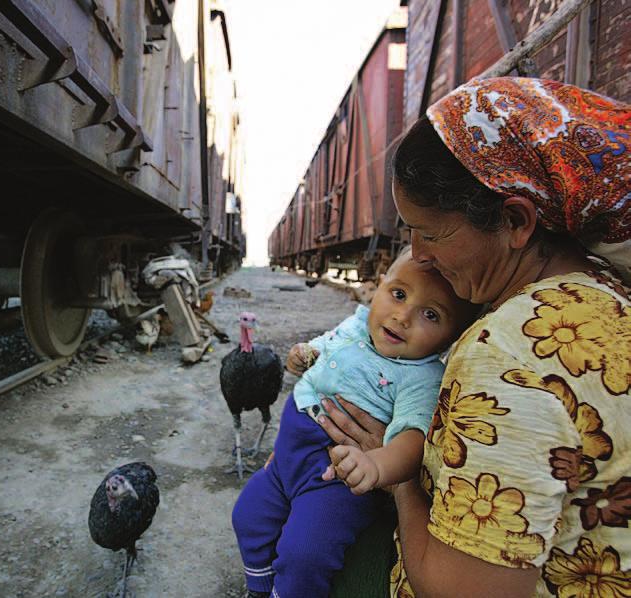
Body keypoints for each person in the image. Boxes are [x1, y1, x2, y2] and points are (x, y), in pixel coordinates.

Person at [321, 77, 631, 597]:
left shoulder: (508, 351)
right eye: (410, 233)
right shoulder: (607, 290)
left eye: (433, 234)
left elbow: (458, 590)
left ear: (515, 220)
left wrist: (399, 476)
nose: (417, 255)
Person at [231, 250, 477, 598]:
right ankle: (259, 586)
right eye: (399, 294)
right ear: (377, 288)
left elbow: (412, 438)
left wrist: (375, 465)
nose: (403, 316)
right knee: (248, 516)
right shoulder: (357, 324)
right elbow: (324, 346)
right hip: (287, 460)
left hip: (336, 481)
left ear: (450, 339)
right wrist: (304, 353)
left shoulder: (421, 376)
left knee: (306, 554)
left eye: (431, 314)